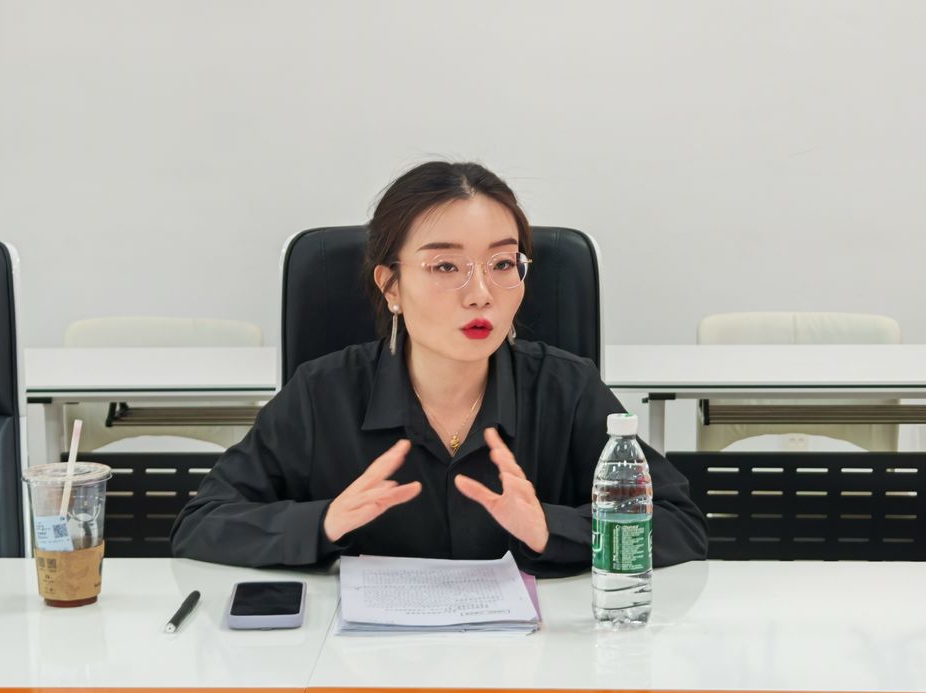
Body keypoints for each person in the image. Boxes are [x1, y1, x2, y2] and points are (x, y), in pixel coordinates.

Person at [171, 161, 706, 576]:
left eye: (503, 264)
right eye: (446, 266)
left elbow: (679, 525)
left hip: (531, 666)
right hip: (359, 668)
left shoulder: (566, 389)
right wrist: (323, 522)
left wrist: (553, 529)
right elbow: (202, 524)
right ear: (391, 286)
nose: (480, 294)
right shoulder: (322, 393)